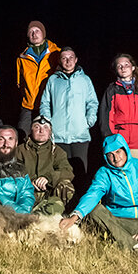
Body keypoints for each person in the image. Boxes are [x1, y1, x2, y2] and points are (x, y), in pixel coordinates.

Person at [39, 47, 98, 183]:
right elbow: (45, 103)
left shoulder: (85, 80)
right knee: (61, 173)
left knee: (81, 173)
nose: (68, 61)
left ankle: (80, 202)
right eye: (64, 58)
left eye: (71, 57)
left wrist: (88, 121)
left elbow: (92, 102)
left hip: (80, 135)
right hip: (58, 135)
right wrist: (48, 123)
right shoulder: (53, 80)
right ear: (60, 61)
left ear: (76, 60)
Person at [17, 115, 74, 215]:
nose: (41, 131)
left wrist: (48, 178)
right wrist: (29, 183)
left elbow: (67, 171)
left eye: (45, 128)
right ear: (31, 130)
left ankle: (62, 216)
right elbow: (13, 173)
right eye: (37, 127)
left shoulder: (57, 152)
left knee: (65, 185)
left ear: (50, 133)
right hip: (28, 194)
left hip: (50, 194)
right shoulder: (20, 150)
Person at [98, 53, 138, 157]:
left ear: (133, 67)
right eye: (119, 66)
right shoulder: (112, 90)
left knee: (136, 171)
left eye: (126, 65)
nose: (123, 68)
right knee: (120, 172)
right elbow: (106, 116)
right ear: (116, 70)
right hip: (119, 140)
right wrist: (111, 139)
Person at [16, 20, 60, 137]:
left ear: (43, 34)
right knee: (22, 136)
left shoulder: (56, 53)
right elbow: (19, 82)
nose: (34, 34)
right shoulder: (22, 57)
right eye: (31, 32)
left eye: (37, 31)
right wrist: (26, 94)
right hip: (29, 105)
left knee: (49, 137)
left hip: (50, 104)